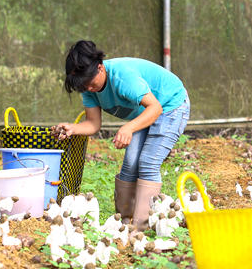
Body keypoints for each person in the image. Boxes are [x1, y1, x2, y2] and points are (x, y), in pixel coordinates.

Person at [52, 40, 190, 230]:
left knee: (148, 162)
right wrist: (72, 128)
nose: (89, 90)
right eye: (84, 87)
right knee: (130, 164)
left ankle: (140, 228)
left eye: (91, 84)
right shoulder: (88, 87)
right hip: (146, 112)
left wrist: (128, 128)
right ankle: (123, 223)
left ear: (100, 68)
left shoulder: (123, 78)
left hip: (170, 105)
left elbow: (155, 107)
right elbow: (93, 124)